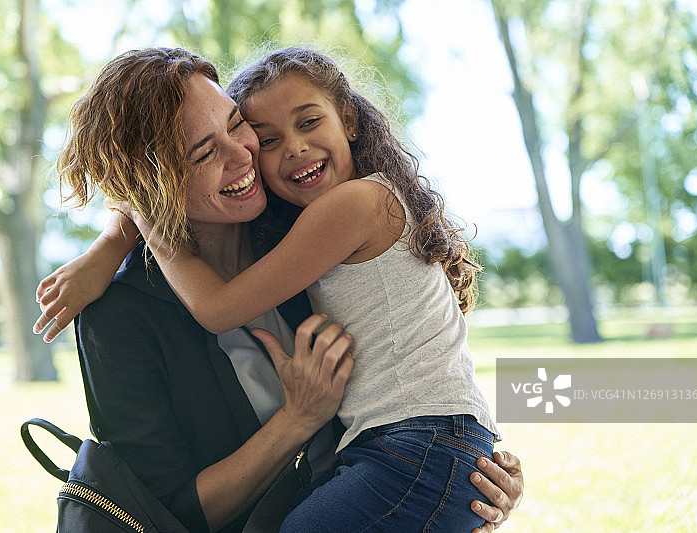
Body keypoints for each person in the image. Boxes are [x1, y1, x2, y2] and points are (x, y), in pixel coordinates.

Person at [34, 47, 524, 533]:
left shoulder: (297, 226)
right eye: (204, 152)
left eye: (235, 124)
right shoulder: (120, 315)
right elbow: (170, 511)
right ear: (154, 184)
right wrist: (297, 420)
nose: (245, 153)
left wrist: (473, 482)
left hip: (394, 470)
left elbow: (419, 376)